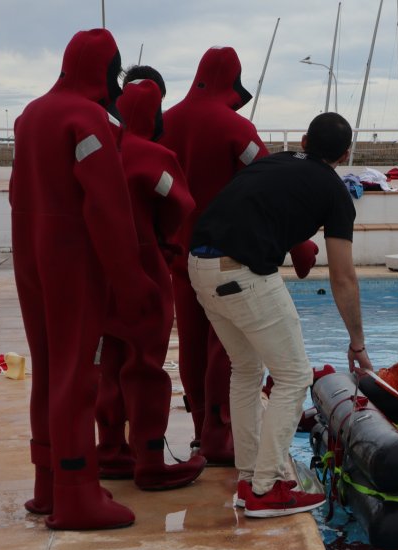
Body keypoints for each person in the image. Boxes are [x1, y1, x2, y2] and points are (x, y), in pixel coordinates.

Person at [187, 111, 370, 518]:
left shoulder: (276, 161)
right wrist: (358, 343)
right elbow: (343, 277)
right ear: (344, 155)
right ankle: (266, 488)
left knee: (246, 370)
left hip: (197, 266)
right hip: (241, 271)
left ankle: (250, 479)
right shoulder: (336, 193)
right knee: (294, 376)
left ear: (304, 141)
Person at [10, 28, 158, 529]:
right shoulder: (86, 117)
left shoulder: (30, 115)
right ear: (107, 71)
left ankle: (47, 485)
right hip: (73, 263)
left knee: (49, 369)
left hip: (30, 257)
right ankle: (77, 494)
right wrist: (131, 280)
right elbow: (107, 208)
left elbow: (17, 190)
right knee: (78, 374)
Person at [92, 77, 207, 490]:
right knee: (146, 367)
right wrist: (168, 244)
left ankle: (109, 450)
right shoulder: (155, 155)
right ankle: (151, 460)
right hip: (146, 264)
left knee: (109, 366)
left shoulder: (101, 150)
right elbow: (182, 205)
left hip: (101, 272)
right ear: (156, 115)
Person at [160, 46, 269, 466]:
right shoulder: (235, 127)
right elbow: (266, 180)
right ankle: (219, 434)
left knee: (189, 342)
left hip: (177, 253)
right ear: (233, 79)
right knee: (224, 344)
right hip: (223, 256)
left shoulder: (164, 122)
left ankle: (199, 426)